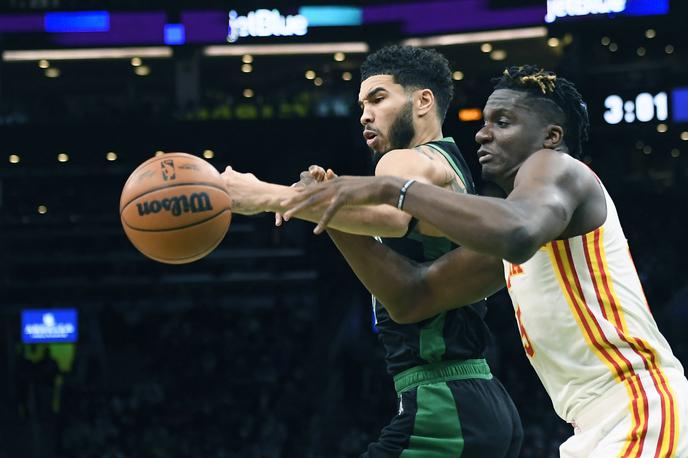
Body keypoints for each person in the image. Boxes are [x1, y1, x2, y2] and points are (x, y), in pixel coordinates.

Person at [281, 65, 688, 457]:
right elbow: (413, 296)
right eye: (484, 121)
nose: (482, 134)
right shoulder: (517, 223)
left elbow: (516, 231)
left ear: (551, 136)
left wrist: (394, 188)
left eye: (503, 122)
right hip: (593, 425)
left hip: (639, 408)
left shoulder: (559, 169)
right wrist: (329, 216)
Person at [221, 45, 523, 457]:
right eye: (361, 104)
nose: (364, 114)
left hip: (444, 404)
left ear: (422, 101)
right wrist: (326, 201)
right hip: (472, 398)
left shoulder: (407, 160)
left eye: (378, 98)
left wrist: (263, 195)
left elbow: (392, 212)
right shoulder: (447, 163)